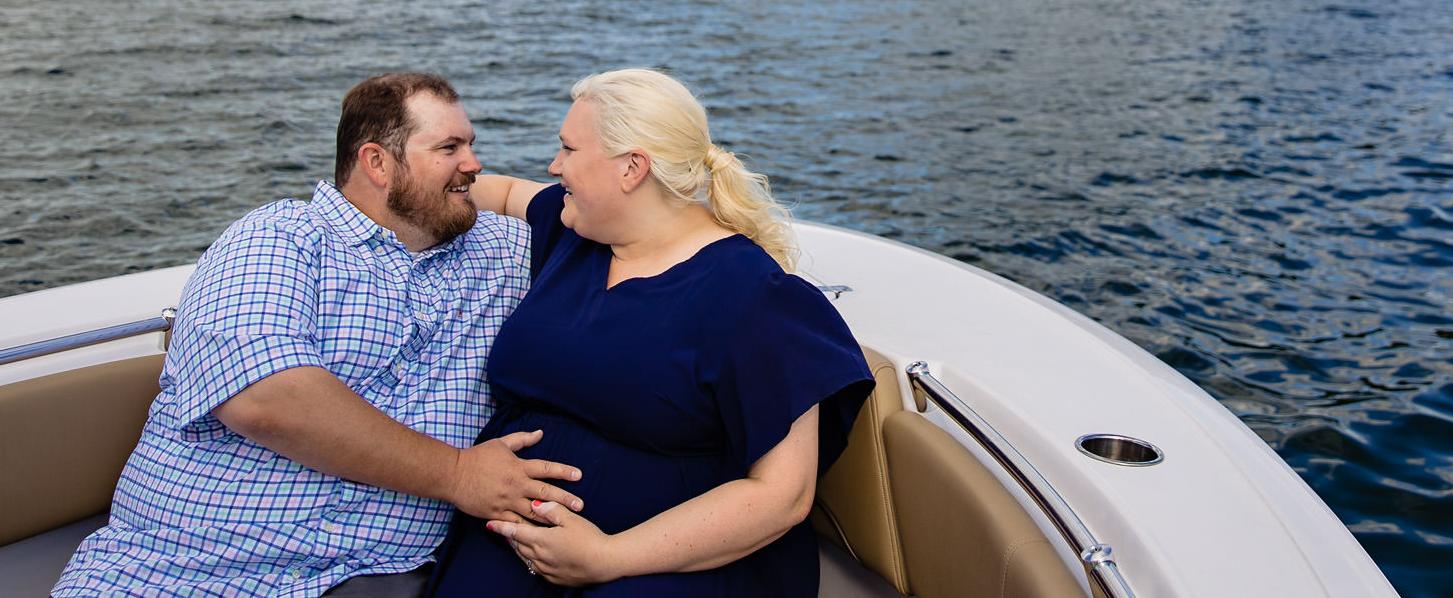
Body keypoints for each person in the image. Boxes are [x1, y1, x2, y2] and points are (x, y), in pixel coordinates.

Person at [55, 73, 586, 598]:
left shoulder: (503, 249)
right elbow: (267, 398)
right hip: (188, 569)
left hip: (388, 573)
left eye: (472, 145)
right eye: (449, 147)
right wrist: (458, 474)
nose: (473, 164)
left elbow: (625, 219)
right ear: (376, 163)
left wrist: (517, 193)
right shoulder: (280, 238)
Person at [425, 69, 873, 598]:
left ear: (632, 168)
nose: (554, 166)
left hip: (668, 563)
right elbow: (493, 191)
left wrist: (608, 557)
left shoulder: (757, 298)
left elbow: (783, 496)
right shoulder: (572, 229)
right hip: (514, 540)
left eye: (568, 149)